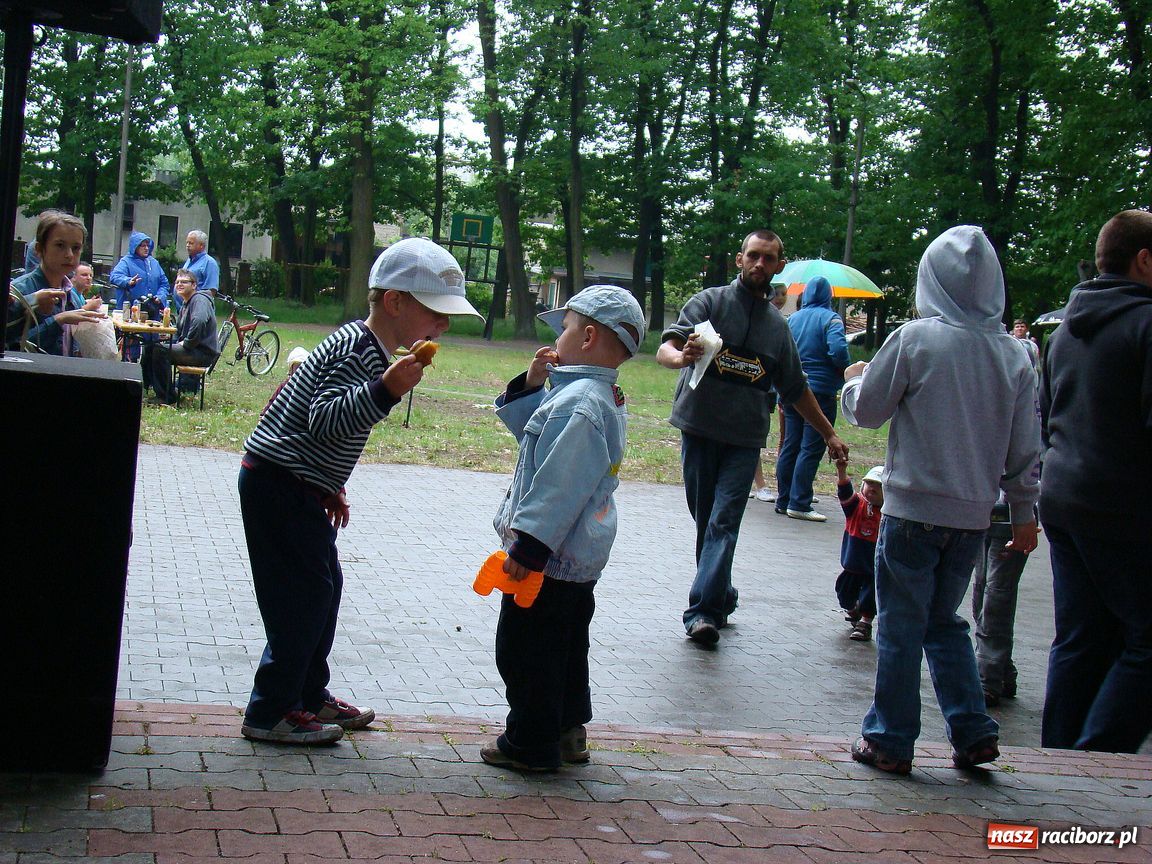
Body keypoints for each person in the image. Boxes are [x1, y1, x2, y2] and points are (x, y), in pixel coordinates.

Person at [238, 237, 482, 744]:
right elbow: (324, 418)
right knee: (301, 599)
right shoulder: (360, 351)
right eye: (436, 313)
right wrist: (384, 392)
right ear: (395, 302)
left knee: (323, 589)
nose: (444, 325)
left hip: (297, 482)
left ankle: (309, 696)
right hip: (278, 484)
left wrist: (330, 484)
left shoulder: (368, 347)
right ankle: (271, 710)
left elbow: (317, 428)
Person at [841, 225, 1040, 775]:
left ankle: (889, 738)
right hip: (974, 517)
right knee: (942, 621)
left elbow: (867, 410)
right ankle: (973, 731)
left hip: (911, 513)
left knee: (902, 627)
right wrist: (1024, 512)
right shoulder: (1014, 355)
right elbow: (1026, 447)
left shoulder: (915, 339)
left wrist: (852, 381)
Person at [479, 284, 646, 773]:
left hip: (548, 558)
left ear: (590, 336)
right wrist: (531, 386)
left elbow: (559, 484)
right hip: (575, 559)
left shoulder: (580, 403)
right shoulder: (590, 394)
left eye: (567, 328)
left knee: (525, 650)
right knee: (567, 647)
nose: (560, 338)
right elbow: (542, 442)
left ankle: (530, 743)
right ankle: (567, 729)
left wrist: (528, 549)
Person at [657, 230, 849, 647]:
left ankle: (703, 613)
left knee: (723, 522)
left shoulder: (779, 329)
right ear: (740, 259)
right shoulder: (709, 303)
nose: (760, 264)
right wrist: (681, 357)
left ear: (779, 265)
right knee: (707, 521)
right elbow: (666, 348)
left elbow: (796, 389)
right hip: (699, 430)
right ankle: (722, 595)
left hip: (744, 442)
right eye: (754, 256)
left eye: (770, 258)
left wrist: (830, 434)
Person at [1039, 209, 1152, 754]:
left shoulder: (1064, 331)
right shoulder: (1147, 324)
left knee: (1081, 637)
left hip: (1062, 496)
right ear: (1145, 260)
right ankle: (1100, 757)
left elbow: (1047, 413)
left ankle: (1060, 762)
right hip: (1123, 505)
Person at [774, 276, 850, 522]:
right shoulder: (831, 319)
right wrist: (843, 370)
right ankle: (800, 503)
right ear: (829, 296)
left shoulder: (792, 319)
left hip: (791, 388)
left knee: (790, 444)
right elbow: (838, 350)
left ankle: (784, 498)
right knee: (811, 447)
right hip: (821, 391)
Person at [8, 210, 103, 355]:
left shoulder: (71, 293)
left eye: (76, 248)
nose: (69, 254)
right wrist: (58, 321)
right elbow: (12, 349)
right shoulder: (20, 291)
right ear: (39, 249)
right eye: (60, 245)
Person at [971, 494, 1034, 706]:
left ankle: (988, 677)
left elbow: (1025, 473)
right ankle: (1003, 670)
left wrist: (1024, 513)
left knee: (996, 597)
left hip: (1012, 516)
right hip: (981, 513)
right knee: (980, 592)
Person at [143, 269, 220, 406]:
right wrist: (170, 338)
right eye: (177, 282)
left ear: (194, 285)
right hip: (193, 349)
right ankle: (146, 387)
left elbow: (200, 321)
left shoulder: (199, 300)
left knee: (159, 352)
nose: (179, 284)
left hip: (202, 352)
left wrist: (187, 343)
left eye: (184, 282)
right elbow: (180, 332)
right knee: (150, 346)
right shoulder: (186, 303)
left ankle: (167, 397)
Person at [834, 460, 884, 642]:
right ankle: (853, 609)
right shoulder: (856, 506)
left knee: (870, 596)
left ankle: (865, 622)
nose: (872, 488)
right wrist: (842, 470)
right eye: (869, 483)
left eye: (878, 486)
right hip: (852, 563)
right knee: (843, 592)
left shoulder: (887, 515)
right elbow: (844, 491)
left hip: (873, 566)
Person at [749, 282, 790, 503]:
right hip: (755, 388)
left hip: (771, 390)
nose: (781, 298)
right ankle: (760, 484)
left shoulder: (781, 324)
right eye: (777, 293)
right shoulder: (757, 319)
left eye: (784, 294)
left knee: (766, 438)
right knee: (754, 438)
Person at [110, 231, 171, 310]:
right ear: (135, 247)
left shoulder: (154, 263)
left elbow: (164, 284)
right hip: (131, 310)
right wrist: (128, 281)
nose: (146, 248)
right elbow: (115, 277)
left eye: (147, 245)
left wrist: (160, 296)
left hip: (153, 311)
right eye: (143, 246)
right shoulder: (126, 262)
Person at [178, 229, 220, 313]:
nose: (187, 245)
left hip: (198, 311)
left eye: (191, 243)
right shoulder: (189, 261)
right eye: (187, 243)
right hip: (183, 310)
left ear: (201, 245)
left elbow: (211, 290)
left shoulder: (209, 263)